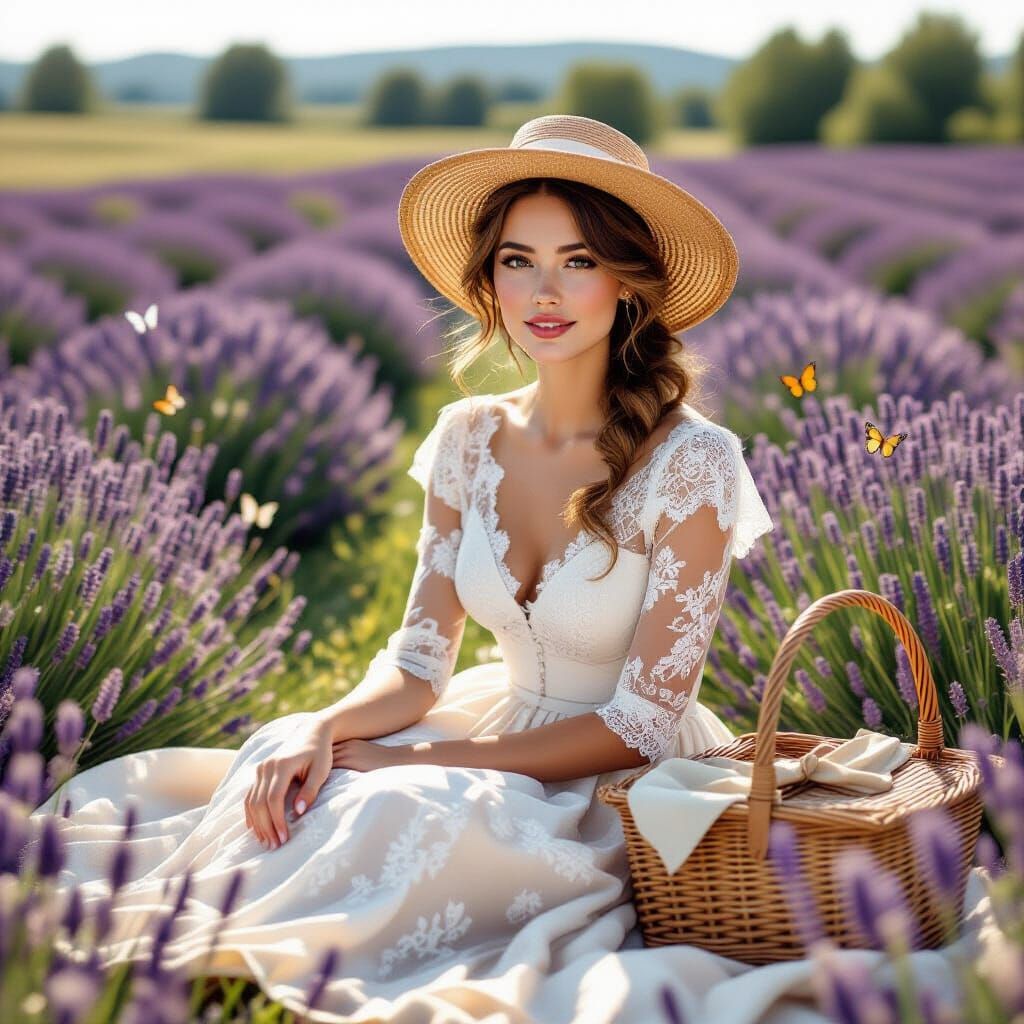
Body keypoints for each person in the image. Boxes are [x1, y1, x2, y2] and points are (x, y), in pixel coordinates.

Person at [32, 115, 785, 1022]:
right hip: (497, 718)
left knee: (406, 800)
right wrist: (332, 724)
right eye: (518, 259)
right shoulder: (468, 439)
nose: (544, 291)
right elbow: (420, 658)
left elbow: (639, 722)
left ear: (629, 283)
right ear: (488, 279)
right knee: (292, 751)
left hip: (620, 781)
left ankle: (261, 951)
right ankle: (184, 933)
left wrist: (417, 756)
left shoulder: (694, 463)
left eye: (579, 261)